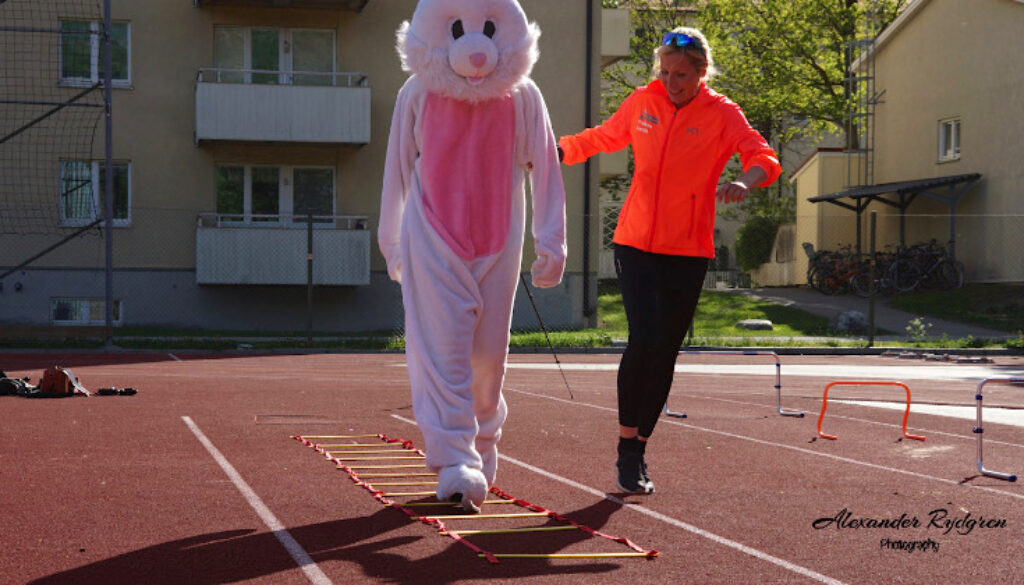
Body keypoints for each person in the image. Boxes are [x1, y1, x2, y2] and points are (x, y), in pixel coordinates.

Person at [557, 27, 781, 494]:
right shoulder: (643, 101)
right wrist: (557, 150)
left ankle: (639, 448)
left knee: (665, 349)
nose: (671, 81)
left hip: (687, 249)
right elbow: (604, 137)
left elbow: (762, 155)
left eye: (681, 74)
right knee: (643, 339)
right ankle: (624, 449)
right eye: (664, 72)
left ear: (702, 73)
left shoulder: (722, 114)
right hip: (635, 241)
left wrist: (745, 182)